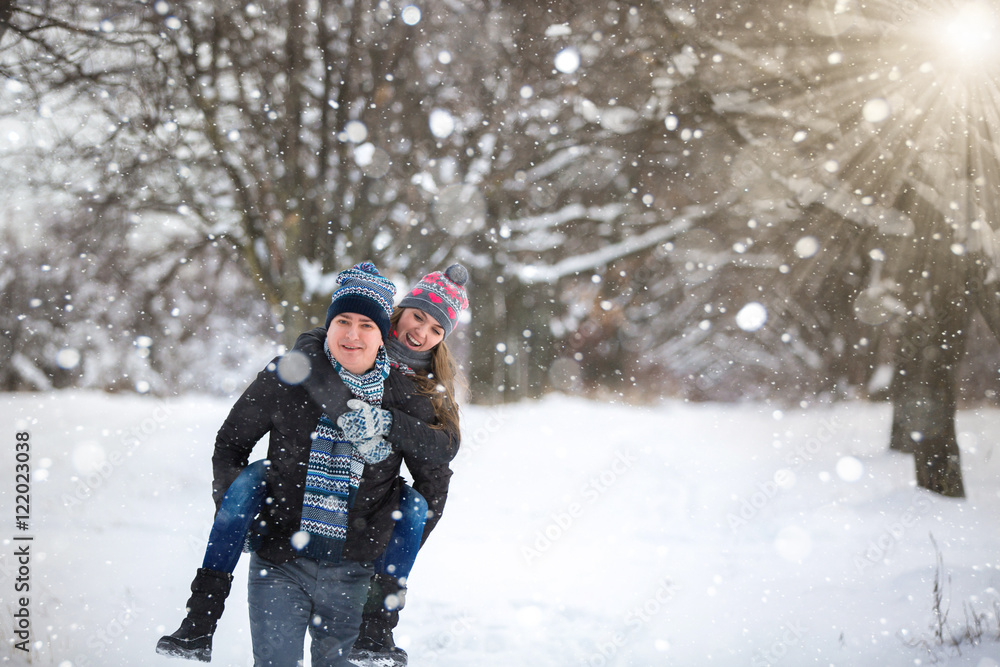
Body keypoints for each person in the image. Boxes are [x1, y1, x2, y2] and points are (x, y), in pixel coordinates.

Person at [156, 263, 469, 666]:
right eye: (343, 321)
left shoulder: (409, 394)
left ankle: (378, 628)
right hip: (281, 561)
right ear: (395, 321)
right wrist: (244, 517)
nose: (353, 334)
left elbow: (436, 473)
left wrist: (385, 552)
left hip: (355, 570)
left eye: (365, 325)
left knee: (410, 503)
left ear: (381, 332)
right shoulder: (292, 371)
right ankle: (199, 620)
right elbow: (230, 445)